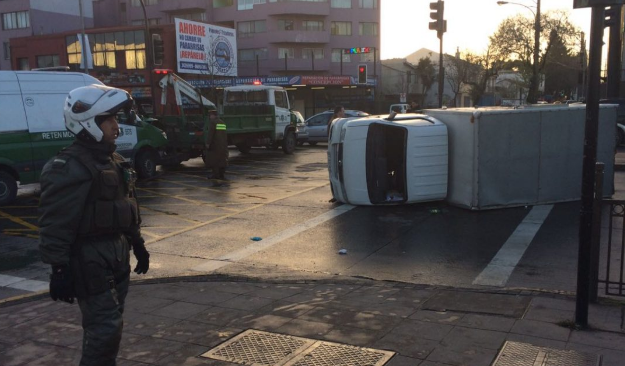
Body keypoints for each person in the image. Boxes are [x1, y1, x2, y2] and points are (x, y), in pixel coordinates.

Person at [38, 84, 150, 366]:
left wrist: (138, 244)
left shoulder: (114, 161)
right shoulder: (68, 166)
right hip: (89, 260)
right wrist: (59, 268)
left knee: (112, 326)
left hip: (117, 255)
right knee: (104, 330)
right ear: (88, 123)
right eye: (109, 119)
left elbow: (125, 208)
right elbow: (56, 222)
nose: (116, 125)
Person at [204, 109, 228, 181]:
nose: (210, 117)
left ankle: (216, 175)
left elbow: (210, 134)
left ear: (213, 115)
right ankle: (222, 175)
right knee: (222, 160)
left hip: (215, 145)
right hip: (222, 145)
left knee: (214, 160)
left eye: (210, 115)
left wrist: (208, 143)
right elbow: (224, 134)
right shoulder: (222, 122)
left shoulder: (213, 123)